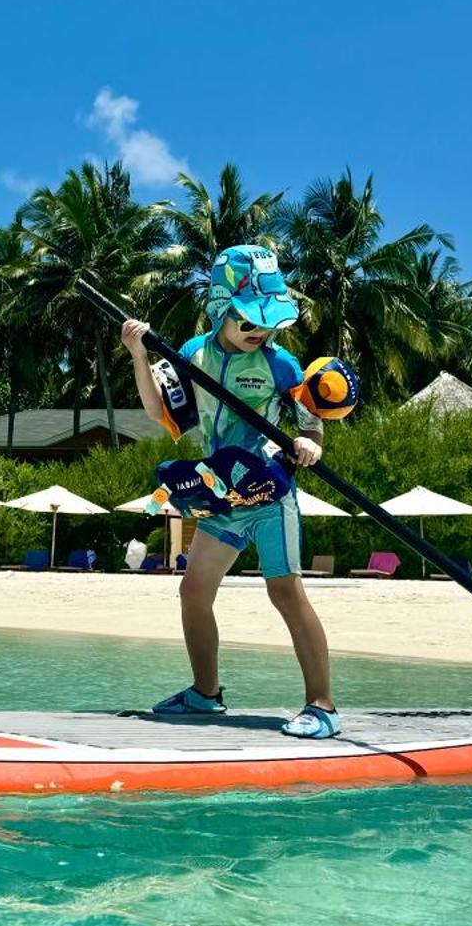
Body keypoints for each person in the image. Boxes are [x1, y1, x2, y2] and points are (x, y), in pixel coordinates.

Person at [120, 244, 339, 739]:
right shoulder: (191, 355)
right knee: (193, 591)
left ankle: (322, 705)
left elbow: (310, 423)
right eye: (248, 324)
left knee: (284, 591)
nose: (259, 334)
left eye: (268, 325)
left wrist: (310, 444)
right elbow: (159, 413)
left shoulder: (282, 364)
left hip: (267, 490)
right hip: (219, 491)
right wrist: (138, 353)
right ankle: (205, 693)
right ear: (222, 309)